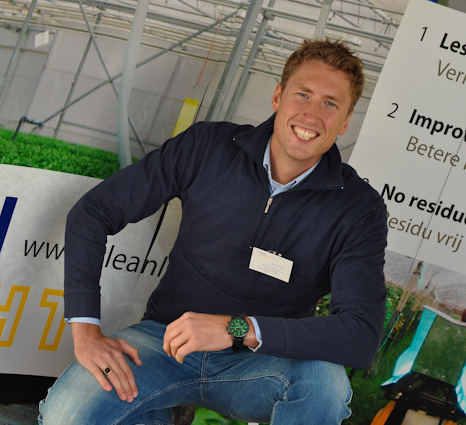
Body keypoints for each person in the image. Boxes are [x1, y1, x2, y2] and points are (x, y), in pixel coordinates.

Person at [38, 38, 388, 425]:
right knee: (66, 416)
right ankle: (166, 414)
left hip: (263, 365)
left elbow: (361, 332)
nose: (311, 114)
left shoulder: (359, 208)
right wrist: (86, 331)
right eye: (302, 94)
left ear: (345, 122)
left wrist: (238, 329)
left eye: (330, 103)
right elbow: (92, 213)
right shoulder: (208, 146)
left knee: (326, 386)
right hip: (164, 344)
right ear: (277, 96)